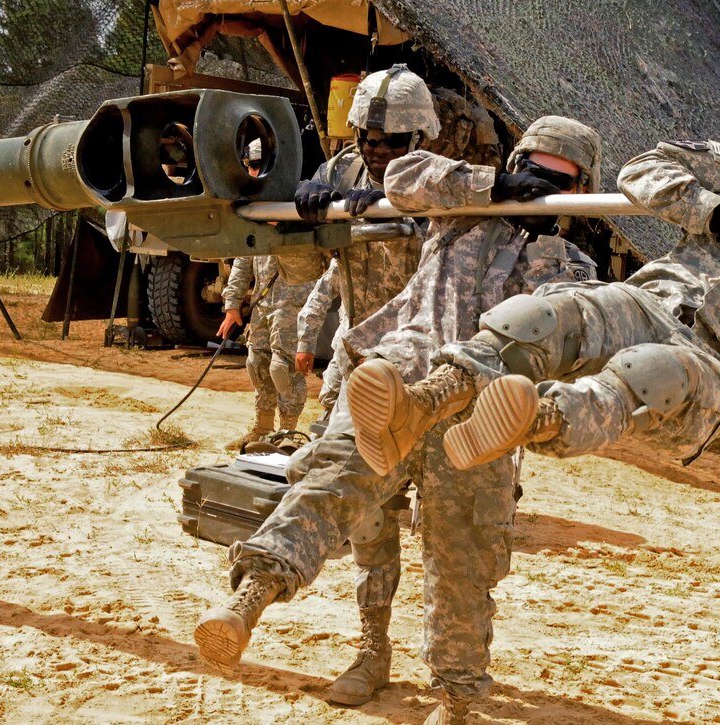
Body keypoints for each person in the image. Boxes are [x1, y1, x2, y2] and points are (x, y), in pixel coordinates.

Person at [194, 115, 603, 724]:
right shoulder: (457, 214)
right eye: (533, 170)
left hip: (476, 421)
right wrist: (493, 186)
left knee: (461, 560)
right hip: (394, 385)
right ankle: (255, 605)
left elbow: (572, 348)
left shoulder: (567, 269)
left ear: (580, 192)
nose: (541, 187)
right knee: (331, 487)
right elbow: (408, 173)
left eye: (557, 180)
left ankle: (458, 699)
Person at [346, 97, 720, 494]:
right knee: (550, 313)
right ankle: (423, 403)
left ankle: (532, 420)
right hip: (650, 305)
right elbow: (641, 170)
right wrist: (717, 212)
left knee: (649, 372)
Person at [291, 65, 436, 707]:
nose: (376, 153)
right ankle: (373, 651)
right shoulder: (340, 172)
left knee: (452, 535)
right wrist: (306, 215)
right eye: (367, 139)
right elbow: (299, 265)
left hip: (436, 376)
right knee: (368, 519)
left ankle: (455, 672)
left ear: (421, 136)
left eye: (392, 143)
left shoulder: (443, 183)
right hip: (360, 373)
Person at [221, 141, 326, 446]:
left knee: (284, 367)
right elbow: (244, 256)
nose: (255, 172)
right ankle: (262, 428)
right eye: (251, 165)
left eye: (261, 165)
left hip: (295, 298)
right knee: (256, 363)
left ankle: (289, 432)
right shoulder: (253, 206)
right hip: (264, 301)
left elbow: (324, 255)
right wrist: (232, 304)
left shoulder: (301, 201)